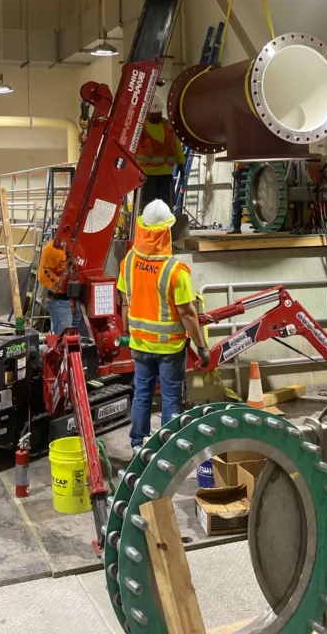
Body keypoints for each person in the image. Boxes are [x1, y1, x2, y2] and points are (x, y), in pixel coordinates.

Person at [118, 199, 210, 452]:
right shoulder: (175, 270)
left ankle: (137, 444)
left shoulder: (128, 262)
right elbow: (188, 314)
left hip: (138, 344)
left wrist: (128, 333)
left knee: (142, 395)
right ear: (165, 232)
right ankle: (168, 448)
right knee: (170, 397)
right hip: (169, 349)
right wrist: (201, 347)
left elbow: (125, 303)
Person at [136, 89, 185, 207]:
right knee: (149, 205)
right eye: (154, 113)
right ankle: (148, 225)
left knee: (167, 205)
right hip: (147, 174)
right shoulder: (140, 127)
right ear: (147, 113)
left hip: (166, 172)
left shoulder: (168, 125)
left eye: (159, 112)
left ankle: (166, 225)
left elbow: (176, 144)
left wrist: (181, 163)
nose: (157, 115)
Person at [38, 239, 86, 336]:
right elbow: (43, 275)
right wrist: (61, 286)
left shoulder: (76, 246)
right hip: (60, 302)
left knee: (78, 340)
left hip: (76, 301)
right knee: (62, 340)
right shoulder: (50, 250)